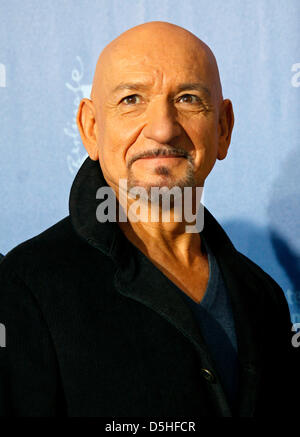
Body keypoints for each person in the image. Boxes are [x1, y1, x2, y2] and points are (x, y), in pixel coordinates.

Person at [0, 21, 298, 417]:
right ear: (91, 128)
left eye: (189, 99)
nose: (162, 129)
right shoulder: (25, 287)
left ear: (223, 128)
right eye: (131, 100)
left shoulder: (263, 297)